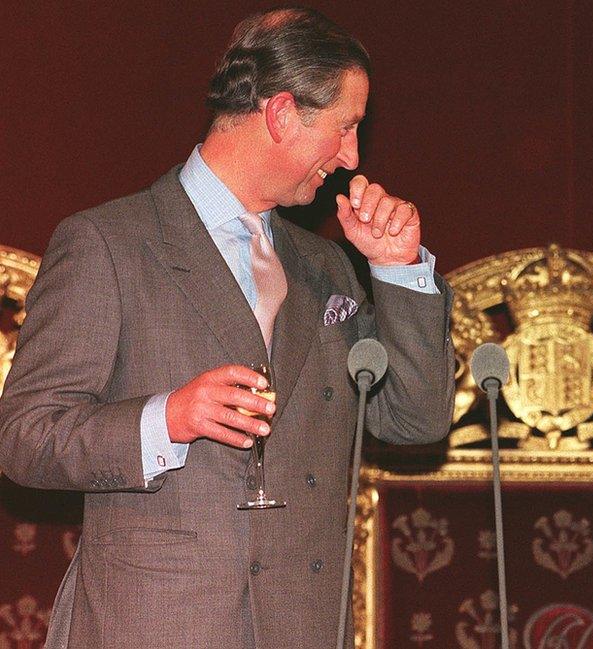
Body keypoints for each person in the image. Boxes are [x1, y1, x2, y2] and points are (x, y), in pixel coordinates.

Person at [0, 8, 454, 648]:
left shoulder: (327, 267)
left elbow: (415, 422)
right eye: (346, 126)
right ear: (282, 114)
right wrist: (167, 419)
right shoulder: (108, 244)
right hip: (154, 630)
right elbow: (22, 437)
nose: (353, 155)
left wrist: (398, 270)